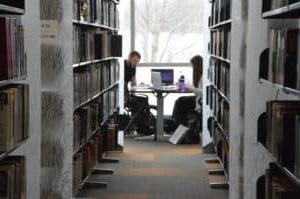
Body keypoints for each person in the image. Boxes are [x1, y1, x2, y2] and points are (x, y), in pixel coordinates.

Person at [168, 55, 203, 143]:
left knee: (181, 102)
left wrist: (190, 88)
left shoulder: (204, 77)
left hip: (201, 100)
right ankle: (177, 125)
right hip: (198, 98)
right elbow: (195, 88)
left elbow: (202, 92)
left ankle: (178, 126)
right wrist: (185, 86)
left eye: (192, 66)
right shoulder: (199, 75)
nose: (192, 67)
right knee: (180, 100)